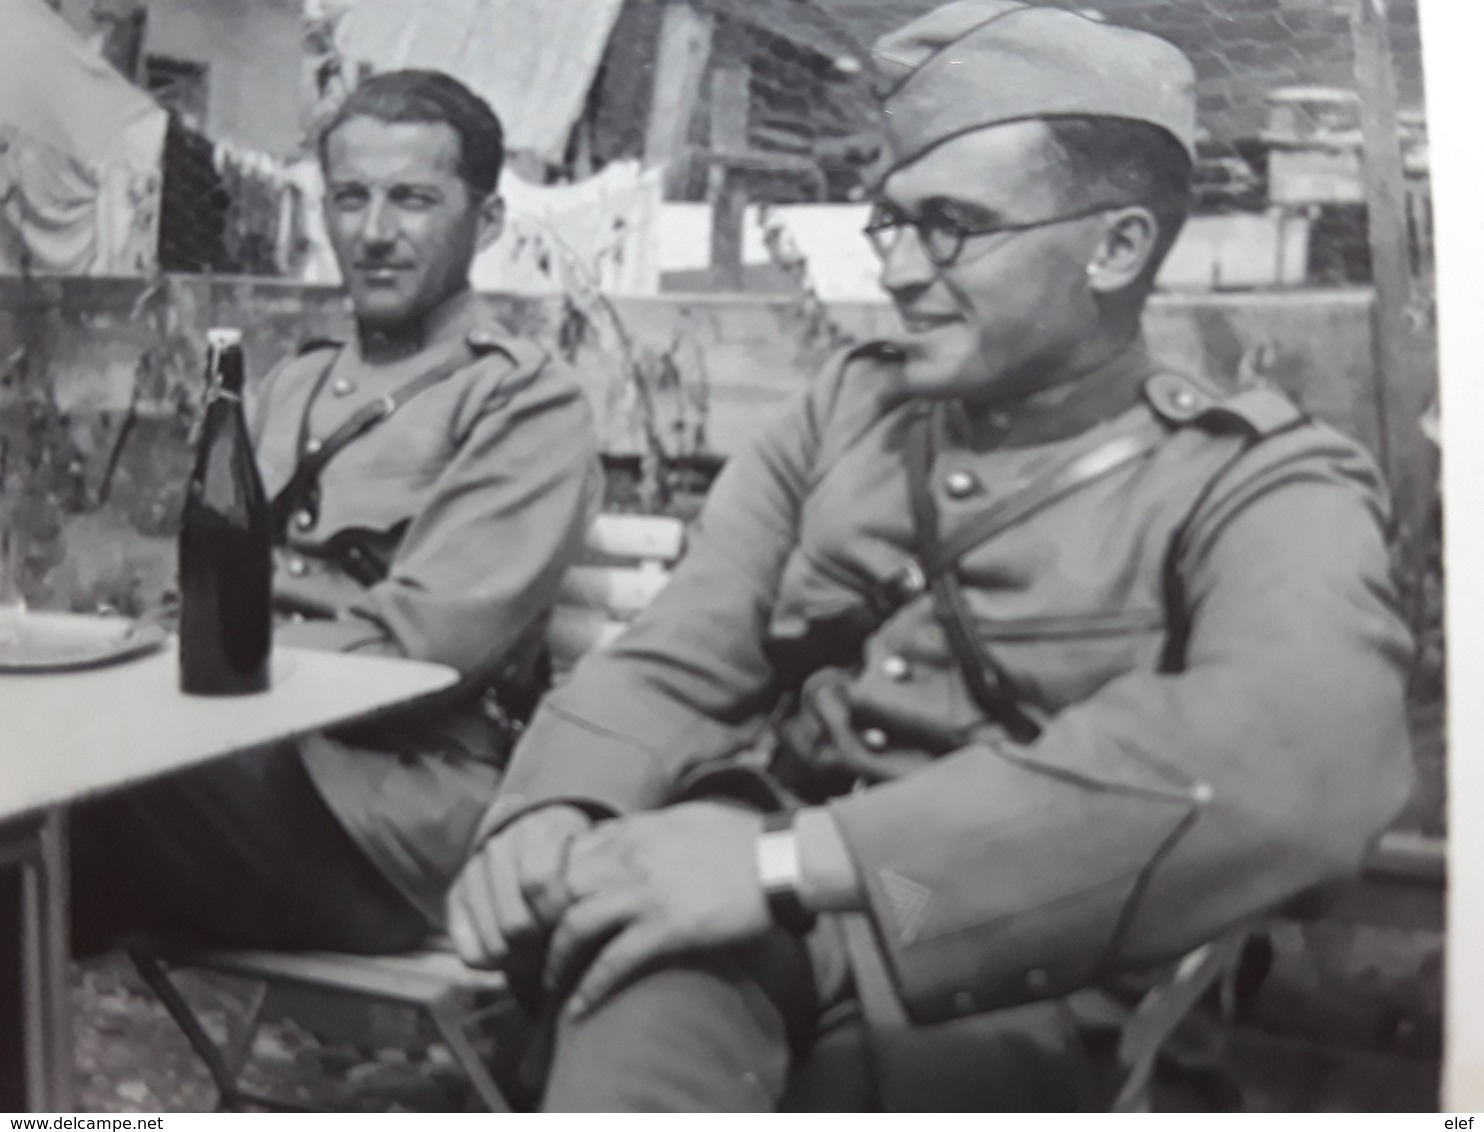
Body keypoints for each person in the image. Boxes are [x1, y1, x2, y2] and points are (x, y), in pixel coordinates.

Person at [445, 2, 1415, 1113]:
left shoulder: (1255, 480)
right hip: (751, 919)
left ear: (1114, 245)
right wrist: (554, 808)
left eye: (948, 224)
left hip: (1023, 970)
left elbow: (1301, 766)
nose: (898, 270)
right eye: (888, 222)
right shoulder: (846, 416)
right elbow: (681, 652)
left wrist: (790, 861)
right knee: (631, 990)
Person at [0, 72, 600, 1109]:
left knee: (42, 810)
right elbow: (196, 591)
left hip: (389, 819)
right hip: (232, 782)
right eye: (348, 196)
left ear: (487, 217)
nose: (372, 231)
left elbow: (425, 649)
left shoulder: (521, 403)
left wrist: (205, 655)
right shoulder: (282, 389)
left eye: (412, 199)